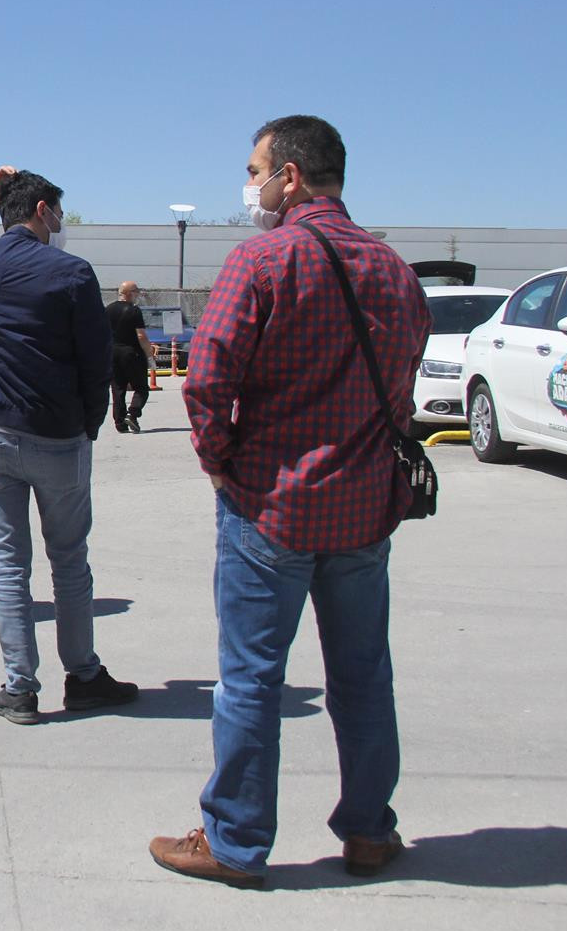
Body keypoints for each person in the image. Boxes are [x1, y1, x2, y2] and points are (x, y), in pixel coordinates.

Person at [149, 115, 432, 889]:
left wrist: (219, 463)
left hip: (269, 507)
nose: (251, 187)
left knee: (249, 679)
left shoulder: (263, 259)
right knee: (364, 676)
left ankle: (236, 842)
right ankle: (370, 830)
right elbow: (404, 384)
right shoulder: (394, 268)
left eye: (255, 171)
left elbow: (207, 377)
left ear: (292, 176)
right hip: (363, 510)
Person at [0, 168, 138, 726]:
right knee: (69, 560)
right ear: (44, 209)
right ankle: (83, 675)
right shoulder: (71, 272)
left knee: (9, 563)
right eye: (57, 212)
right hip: (57, 434)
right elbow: (95, 359)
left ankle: (20, 687)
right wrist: (90, 424)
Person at [106, 281, 157, 433]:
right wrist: (150, 356)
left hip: (112, 353)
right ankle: (132, 413)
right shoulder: (134, 310)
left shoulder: (107, 309)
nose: (138, 294)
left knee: (118, 388)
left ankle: (120, 422)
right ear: (129, 293)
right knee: (141, 388)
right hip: (131, 353)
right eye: (136, 291)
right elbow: (141, 336)